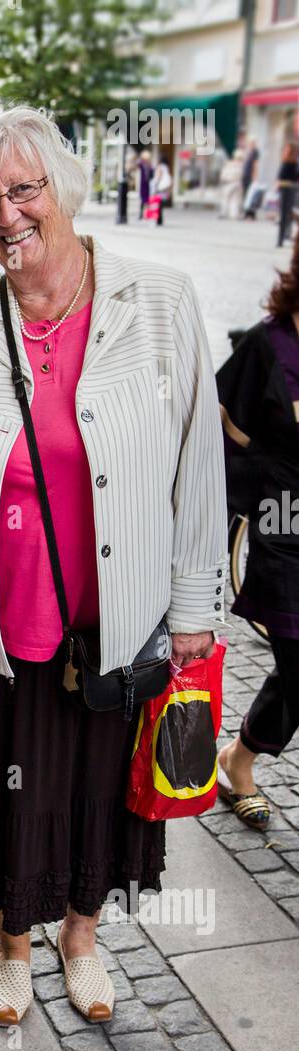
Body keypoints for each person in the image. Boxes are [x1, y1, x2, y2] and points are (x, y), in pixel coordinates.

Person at [0, 105, 227, 1027]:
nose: (7, 215)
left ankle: (81, 937)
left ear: (63, 191)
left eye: (24, 190)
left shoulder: (156, 301)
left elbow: (200, 463)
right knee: (10, 795)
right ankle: (11, 943)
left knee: (96, 794)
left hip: (119, 618)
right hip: (3, 621)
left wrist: (195, 607)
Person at [216, 228, 299, 829]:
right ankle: (240, 761)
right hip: (282, 532)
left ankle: (238, 758)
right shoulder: (268, 348)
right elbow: (216, 440)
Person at [276, 142, 299, 248]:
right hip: (290, 190)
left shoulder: (289, 163)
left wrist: (278, 184)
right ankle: (284, 236)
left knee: (285, 215)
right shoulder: (293, 163)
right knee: (287, 215)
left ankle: (281, 239)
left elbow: (281, 178)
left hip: (286, 191)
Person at [218, 150, 244, 220]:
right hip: (236, 183)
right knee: (234, 200)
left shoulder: (229, 164)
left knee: (226, 198)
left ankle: (223, 212)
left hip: (228, 183)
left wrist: (222, 180)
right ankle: (233, 214)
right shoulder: (241, 165)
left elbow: (223, 174)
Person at [241, 137, 260, 216]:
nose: (250, 144)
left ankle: (250, 213)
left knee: (251, 195)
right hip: (246, 176)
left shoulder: (255, 152)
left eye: (251, 143)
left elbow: (255, 164)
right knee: (246, 195)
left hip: (250, 177)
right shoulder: (249, 152)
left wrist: (255, 176)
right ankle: (246, 212)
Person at [152, 156, 172, 225]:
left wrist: (155, 186)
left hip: (159, 188)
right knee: (160, 205)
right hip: (164, 188)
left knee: (158, 204)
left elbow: (158, 177)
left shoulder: (160, 167)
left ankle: (158, 219)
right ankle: (160, 219)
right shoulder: (166, 167)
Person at [136, 150, 153, 219]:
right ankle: (141, 214)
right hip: (143, 185)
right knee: (143, 200)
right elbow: (137, 163)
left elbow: (152, 174)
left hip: (148, 185)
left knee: (147, 200)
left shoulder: (149, 165)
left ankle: (147, 214)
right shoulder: (142, 164)